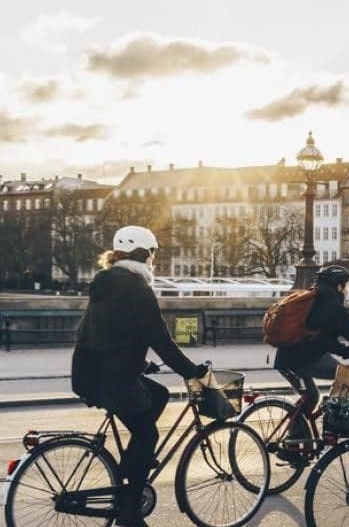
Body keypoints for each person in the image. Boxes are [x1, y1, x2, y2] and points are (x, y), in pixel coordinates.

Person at [71, 226, 208, 527]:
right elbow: (161, 339)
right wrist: (191, 371)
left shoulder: (105, 283)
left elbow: (107, 333)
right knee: (148, 434)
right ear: (143, 254)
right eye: (152, 254)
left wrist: (141, 363)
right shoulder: (136, 287)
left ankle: (135, 463)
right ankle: (129, 512)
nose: (152, 260)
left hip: (89, 373)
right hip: (114, 379)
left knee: (158, 394)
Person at [271, 265, 349, 455]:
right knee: (346, 377)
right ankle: (331, 427)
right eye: (344, 286)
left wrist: (343, 350)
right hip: (303, 359)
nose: (345, 291)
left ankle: (295, 444)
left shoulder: (313, 300)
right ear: (338, 286)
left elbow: (323, 338)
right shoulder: (331, 306)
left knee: (310, 397)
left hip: (287, 358)